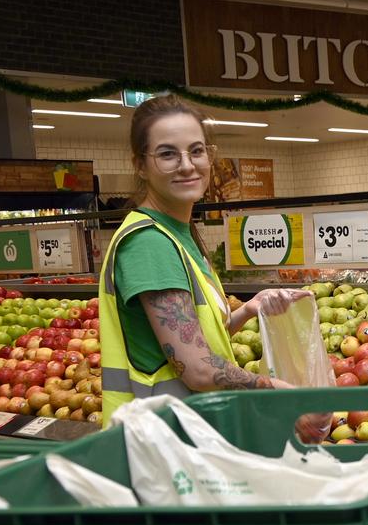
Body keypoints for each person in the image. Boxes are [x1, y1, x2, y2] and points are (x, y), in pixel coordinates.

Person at [97, 95, 303, 427]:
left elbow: (193, 339)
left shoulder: (178, 234)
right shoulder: (149, 242)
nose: (187, 165)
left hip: (183, 433)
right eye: (167, 154)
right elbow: (197, 368)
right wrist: (277, 392)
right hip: (160, 439)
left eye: (196, 150)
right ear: (140, 164)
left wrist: (248, 309)